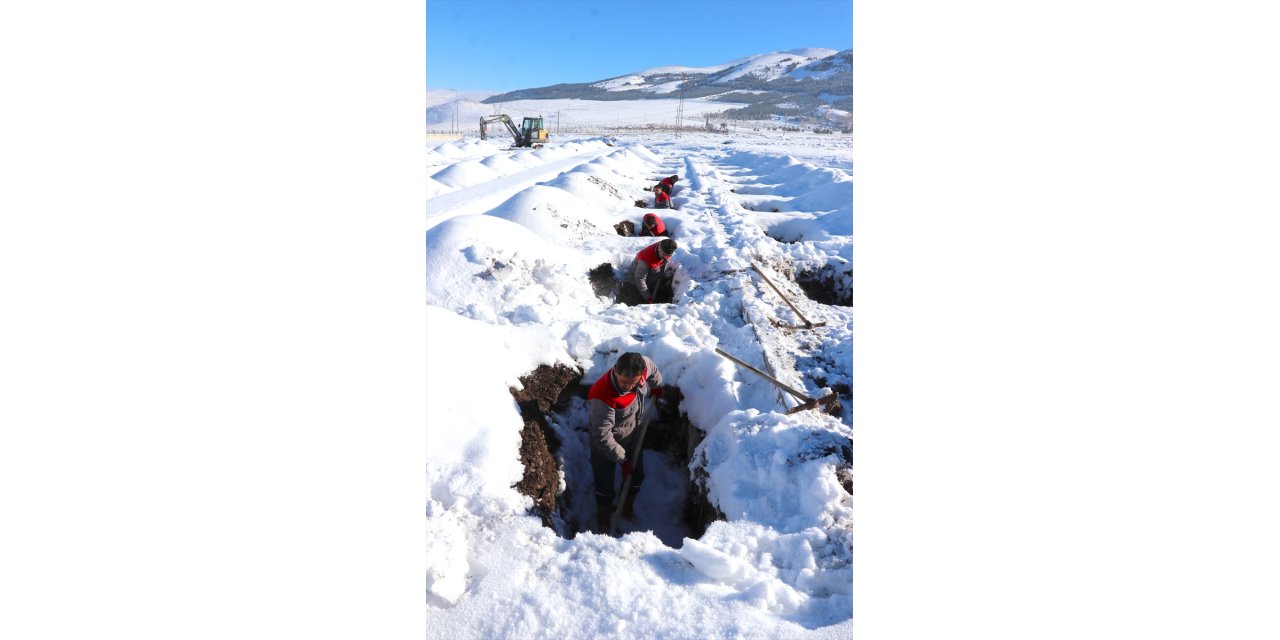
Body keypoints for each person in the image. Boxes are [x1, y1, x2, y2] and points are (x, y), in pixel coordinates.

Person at [588, 352, 664, 533]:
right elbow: (601, 436)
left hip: (632, 434)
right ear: (615, 372)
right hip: (605, 443)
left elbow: (651, 368)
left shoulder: (642, 367)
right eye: (624, 383)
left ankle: (626, 508)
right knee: (604, 483)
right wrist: (622, 460)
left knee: (636, 477)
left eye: (634, 383)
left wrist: (657, 385)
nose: (629, 387)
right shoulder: (602, 395)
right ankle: (604, 522)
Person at [621, 238, 677, 305]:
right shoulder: (645, 260)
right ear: (659, 248)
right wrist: (648, 298)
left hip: (651, 281)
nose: (666, 257)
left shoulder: (665, 247)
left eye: (668, 255)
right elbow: (639, 279)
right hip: (634, 285)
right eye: (664, 254)